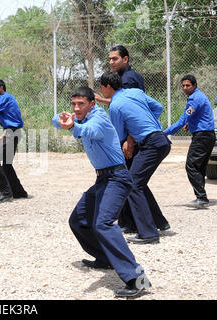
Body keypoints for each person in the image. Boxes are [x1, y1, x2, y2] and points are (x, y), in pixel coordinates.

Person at [52, 86, 151, 298]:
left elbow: (90, 131)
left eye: (81, 104)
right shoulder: (80, 117)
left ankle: (137, 279)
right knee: (77, 220)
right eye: (73, 104)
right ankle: (105, 258)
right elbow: (57, 121)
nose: (76, 108)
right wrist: (62, 118)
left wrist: (72, 127)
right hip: (103, 179)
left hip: (117, 178)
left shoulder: (98, 119)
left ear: (92, 104)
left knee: (104, 224)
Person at [99, 72, 171, 244]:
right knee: (138, 182)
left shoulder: (115, 106)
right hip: (160, 140)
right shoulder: (136, 93)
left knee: (133, 184)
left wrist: (128, 140)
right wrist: (141, 127)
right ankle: (159, 222)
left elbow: (119, 135)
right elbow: (158, 108)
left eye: (101, 87)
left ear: (108, 86)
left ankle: (148, 233)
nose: (100, 90)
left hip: (151, 145)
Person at [95, 45, 148, 233]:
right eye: (109, 59)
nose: (111, 62)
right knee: (133, 181)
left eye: (115, 59)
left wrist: (130, 140)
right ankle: (149, 220)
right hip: (126, 136)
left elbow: (134, 109)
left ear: (126, 59)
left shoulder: (129, 78)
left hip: (129, 138)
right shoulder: (123, 78)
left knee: (128, 181)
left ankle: (135, 223)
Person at [164, 75, 215, 208]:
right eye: (183, 86)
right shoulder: (199, 96)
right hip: (208, 135)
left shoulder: (194, 99)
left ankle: (201, 198)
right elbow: (199, 116)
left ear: (194, 85)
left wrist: (164, 133)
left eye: (188, 85)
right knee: (199, 167)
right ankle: (201, 198)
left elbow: (182, 120)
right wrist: (190, 124)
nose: (185, 88)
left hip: (202, 137)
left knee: (191, 165)